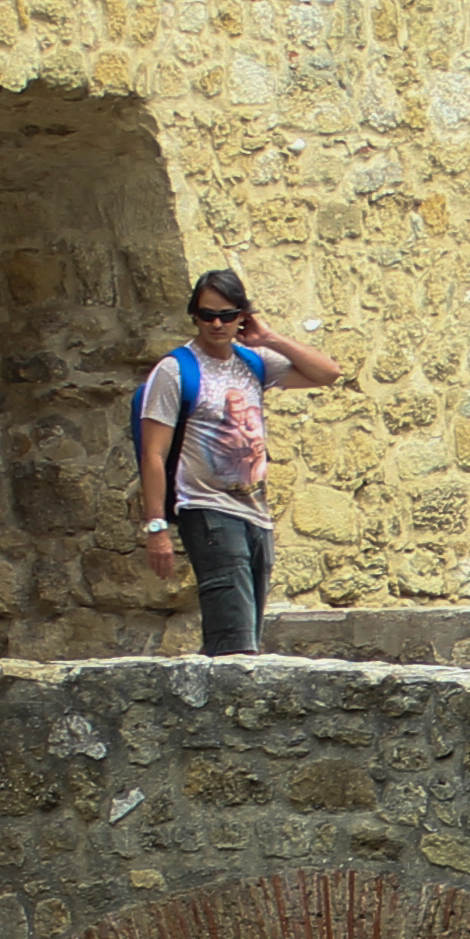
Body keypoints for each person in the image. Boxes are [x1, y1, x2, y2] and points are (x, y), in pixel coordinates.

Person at [135, 268, 350, 655]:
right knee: (233, 642)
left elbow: (328, 373)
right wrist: (156, 527)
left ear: (242, 316)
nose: (216, 324)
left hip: (255, 513)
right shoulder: (175, 371)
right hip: (207, 511)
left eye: (227, 315)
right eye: (206, 315)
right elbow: (154, 453)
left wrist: (269, 337)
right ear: (194, 316)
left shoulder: (254, 361)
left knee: (246, 634)